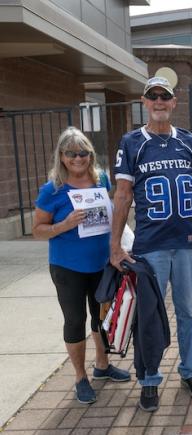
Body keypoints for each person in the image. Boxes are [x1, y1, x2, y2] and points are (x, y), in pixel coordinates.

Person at [110, 76, 192, 412]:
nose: (158, 101)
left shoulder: (189, 142)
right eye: (152, 96)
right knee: (149, 314)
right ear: (145, 102)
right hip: (150, 244)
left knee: (187, 311)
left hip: (185, 241)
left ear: (173, 102)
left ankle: (189, 370)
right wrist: (115, 245)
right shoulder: (131, 143)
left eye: (164, 96)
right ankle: (150, 378)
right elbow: (123, 195)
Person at [32, 127, 130, 405]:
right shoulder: (53, 189)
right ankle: (80, 377)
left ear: (90, 155)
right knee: (75, 321)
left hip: (101, 263)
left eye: (83, 152)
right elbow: (37, 229)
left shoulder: (100, 180)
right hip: (68, 267)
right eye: (71, 153)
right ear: (62, 157)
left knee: (101, 318)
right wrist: (64, 225)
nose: (78, 158)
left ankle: (102, 366)